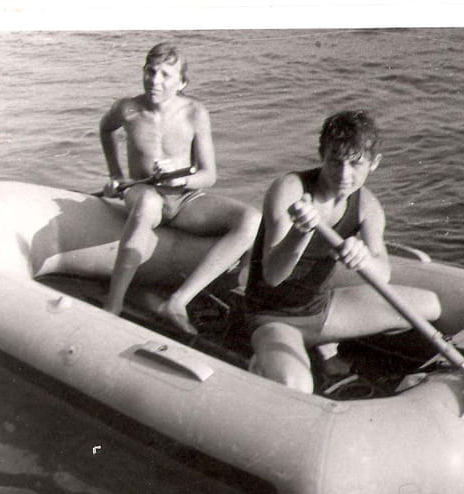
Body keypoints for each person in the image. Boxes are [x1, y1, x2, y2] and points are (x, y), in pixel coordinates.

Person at [244, 110, 440, 393]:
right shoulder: (290, 189)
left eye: (356, 163)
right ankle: (264, 362)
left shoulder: (367, 205)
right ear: (321, 155)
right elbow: (273, 275)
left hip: (322, 311)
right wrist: (301, 232)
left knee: (430, 305)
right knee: (296, 385)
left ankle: (323, 345)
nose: (344, 175)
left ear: (374, 163)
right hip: (273, 315)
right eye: (335, 161)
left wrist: (363, 259)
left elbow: (382, 272)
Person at [100, 42, 260, 335]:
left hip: (185, 199)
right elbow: (105, 128)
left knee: (251, 219)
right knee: (148, 203)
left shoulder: (195, 113)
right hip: (144, 193)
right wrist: (116, 175)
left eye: (165, 75)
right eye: (150, 71)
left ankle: (178, 301)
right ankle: (114, 303)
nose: (155, 81)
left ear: (182, 82)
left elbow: (209, 175)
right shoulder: (128, 109)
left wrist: (181, 180)